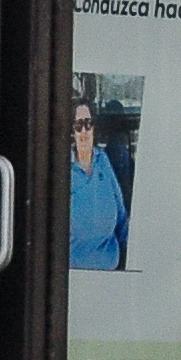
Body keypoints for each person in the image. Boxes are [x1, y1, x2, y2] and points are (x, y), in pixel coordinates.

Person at [67, 98, 130, 271]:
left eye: (88, 123)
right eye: (78, 125)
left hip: (111, 272)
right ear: (71, 132)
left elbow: (121, 215)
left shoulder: (102, 160)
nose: (84, 131)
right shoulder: (64, 168)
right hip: (74, 276)